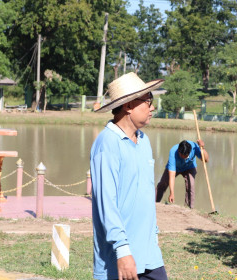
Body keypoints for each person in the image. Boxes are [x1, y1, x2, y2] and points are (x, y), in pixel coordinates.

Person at [90, 72, 168, 280]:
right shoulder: (107, 144)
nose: (152, 108)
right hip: (121, 258)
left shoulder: (144, 141)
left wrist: (154, 235)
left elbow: (144, 195)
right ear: (129, 105)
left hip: (150, 254)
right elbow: (107, 203)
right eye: (148, 102)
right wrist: (122, 250)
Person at [155, 139, 209, 209]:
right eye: (181, 155)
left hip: (189, 167)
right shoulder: (173, 152)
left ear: (189, 152)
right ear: (178, 151)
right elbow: (172, 176)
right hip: (175, 167)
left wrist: (202, 148)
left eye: (186, 156)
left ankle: (189, 209)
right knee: (163, 183)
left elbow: (206, 160)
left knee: (191, 186)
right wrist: (172, 193)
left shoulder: (194, 147)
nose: (183, 157)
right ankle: (154, 202)